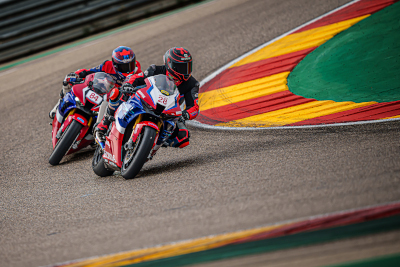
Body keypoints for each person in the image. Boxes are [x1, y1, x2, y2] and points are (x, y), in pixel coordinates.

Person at [95, 47, 199, 148]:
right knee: (118, 93)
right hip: (148, 100)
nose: (185, 71)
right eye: (181, 67)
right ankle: (104, 125)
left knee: (183, 138)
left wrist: (186, 114)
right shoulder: (155, 69)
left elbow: (194, 107)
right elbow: (137, 77)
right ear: (170, 64)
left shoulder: (192, 84)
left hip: (169, 111)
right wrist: (128, 84)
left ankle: (156, 141)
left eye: (188, 66)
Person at [49, 46, 143, 119]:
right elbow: (90, 71)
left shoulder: (137, 72)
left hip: (118, 101)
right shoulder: (107, 65)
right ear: (115, 64)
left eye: (130, 65)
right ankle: (58, 106)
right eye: (123, 66)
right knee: (67, 81)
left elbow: (141, 88)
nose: (127, 69)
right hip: (102, 91)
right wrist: (76, 74)